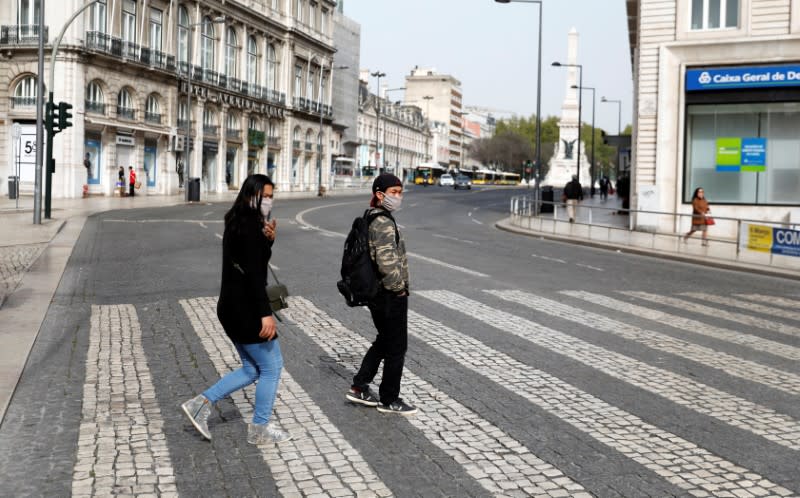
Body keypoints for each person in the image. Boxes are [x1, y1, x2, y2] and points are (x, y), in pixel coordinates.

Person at [181, 174, 289, 444]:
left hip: (230, 307)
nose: (269, 200)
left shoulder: (237, 220)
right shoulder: (251, 227)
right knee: (272, 367)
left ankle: (201, 404)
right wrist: (265, 314)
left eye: (271, 196)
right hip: (247, 310)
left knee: (252, 369)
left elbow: (249, 262)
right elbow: (255, 275)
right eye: (265, 195)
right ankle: (259, 429)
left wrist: (268, 241)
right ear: (250, 194)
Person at [346, 173, 417, 415]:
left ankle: (359, 386)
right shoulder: (384, 223)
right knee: (397, 347)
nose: (398, 196)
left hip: (377, 293)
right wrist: (399, 289)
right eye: (394, 192)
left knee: (384, 340)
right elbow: (387, 262)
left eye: (400, 192)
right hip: (389, 294)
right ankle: (389, 399)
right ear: (380, 194)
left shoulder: (371, 217)